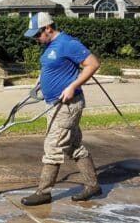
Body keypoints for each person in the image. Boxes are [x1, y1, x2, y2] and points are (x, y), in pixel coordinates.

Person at [21, 12, 102, 206]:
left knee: (53, 146)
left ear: (48, 28)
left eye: (37, 35)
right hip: (54, 103)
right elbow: (51, 65)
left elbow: (93, 64)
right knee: (74, 145)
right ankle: (93, 185)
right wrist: (42, 78)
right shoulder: (49, 45)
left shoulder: (68, 43)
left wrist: (72, 86)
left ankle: (44, 192)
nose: (36, 39)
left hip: (67, 105)